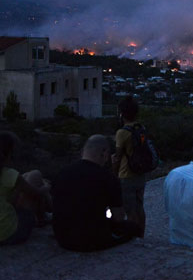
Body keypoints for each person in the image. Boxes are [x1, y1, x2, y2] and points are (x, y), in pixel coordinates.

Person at [51, 135, 142, 251]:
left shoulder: (62, 173)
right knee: (133, 228)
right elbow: (118, 217)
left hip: (62, 238)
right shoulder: (108, 177)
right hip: (91, 241)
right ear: (104, 153)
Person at [0, 131, 52, 246]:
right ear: (9, 153)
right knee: (36, 175)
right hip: (10, 233)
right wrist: (47, 186)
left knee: (30, 176)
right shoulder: (9, 174)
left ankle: (46, 214)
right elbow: (37, 193)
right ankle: (43, 217)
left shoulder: (11, 176)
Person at [112, 96, 146, 237]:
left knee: (130, 211)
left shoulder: (122, 132)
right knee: (139, 208)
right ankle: (141, 235)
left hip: (126, 175)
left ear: (121, 113)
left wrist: (114, 174)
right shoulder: (142, 129)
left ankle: (133, 238)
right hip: (140, 174)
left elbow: (118, 156)